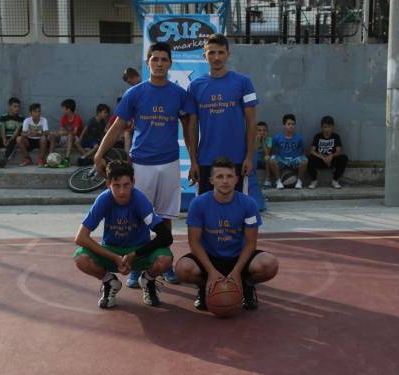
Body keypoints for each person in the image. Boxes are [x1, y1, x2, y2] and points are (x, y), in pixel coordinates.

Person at [95, 42, 195, 288]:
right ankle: (135, 265)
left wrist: (194, 161)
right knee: (137, 217)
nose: (160, 63)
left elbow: (189, 128)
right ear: (148, 63)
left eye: (164, 59)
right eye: (155, 59)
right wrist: (99, 154)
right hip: (141, 164)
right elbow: (118, 125)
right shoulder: (135, 93)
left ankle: (166, 263)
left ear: (170, 63)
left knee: (165, 217)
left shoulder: (179, 94)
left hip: (170, 163)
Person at [175, 156, 278, 311]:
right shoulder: (198, 203)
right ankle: (205, 286)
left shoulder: (248, 203)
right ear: (211, 180)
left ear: (236, 179)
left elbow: (251, 242)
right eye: (220, 177)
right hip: (209, 258)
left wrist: (237, 271)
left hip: (238, 258)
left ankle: (246, 285)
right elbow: (194, 243)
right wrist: (210, 271)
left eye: (229, 176)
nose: (225, 181)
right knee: (182, 269)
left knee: (270, 264)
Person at [74, 160, 174, 308]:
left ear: (133, 182)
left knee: (165, 258)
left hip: (138, 251)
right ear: (108, 185)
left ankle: (147, 279)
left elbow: (166, 236)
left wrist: (134, 255)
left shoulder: (139, 200)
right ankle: (109, 282)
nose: (122, 191)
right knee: (81, 258)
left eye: (126, 185)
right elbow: (80, 237)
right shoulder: (104, 199)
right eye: (116, 186)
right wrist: (115, 257)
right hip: (112, 250)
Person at [186, 33, 259, 195]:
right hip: (206, 160)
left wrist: (249, 156)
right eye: (212, 52)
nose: (216, 57)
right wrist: (193, 161)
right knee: (206, 212)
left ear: (228, 54)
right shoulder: (195, 86)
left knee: (236, 211)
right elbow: (191, 125)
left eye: (220, 52)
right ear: (205, 56)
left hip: (237, 160)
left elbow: (251, 121)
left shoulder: (243, 82)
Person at [307, 115, 349, 189]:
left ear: (333, 127)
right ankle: (314, 180)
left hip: (331, 161)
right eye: (325, 127)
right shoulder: (317, 136)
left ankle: (335, 180)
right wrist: (323, 157)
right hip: (320, 160)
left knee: (344, 158)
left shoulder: (336, 136)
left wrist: (331, 156)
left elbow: (339, 152)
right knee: (309, 157)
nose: (327, 129)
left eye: (329, 126)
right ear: (322, 127)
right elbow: (312, 151)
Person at [269, 114, 308, 189]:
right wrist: (275, 160)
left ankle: (299, 181)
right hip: (282, 160)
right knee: (272, 159)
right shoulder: (277, 137)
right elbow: (272, 151)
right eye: (289, 124)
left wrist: (302, 161)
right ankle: (278, 181)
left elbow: (304, 151)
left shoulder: (299, 138)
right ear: (284, 125)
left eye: (293, 124)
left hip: (294, 160)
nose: (291, 126)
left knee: (304, 160)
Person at [47, 99, 82, 168]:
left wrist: (64, 132)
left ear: (68, 109)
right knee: (53, 137)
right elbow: (61, 131)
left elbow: (75, 133)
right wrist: (56, 134)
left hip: (75, 139)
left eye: (63, 108)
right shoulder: (63, 118)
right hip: (66, 137)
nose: (62, 110)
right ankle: (49, 158)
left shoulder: (77, 118)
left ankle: (67, 160)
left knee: (70, 135)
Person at [16, 103, 48, 168]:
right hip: (30, 140)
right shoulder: (27, 120)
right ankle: (27, 158)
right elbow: (23, 133)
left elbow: (46, 133)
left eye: (39, 111)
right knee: (19, 139)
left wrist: (37, 134)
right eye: (35, 112)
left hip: (40, 140)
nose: (37, 113)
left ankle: (41, 159)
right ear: (30, 113)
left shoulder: (44, 120)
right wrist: (28, 134)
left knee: (43, 138)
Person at [255, 121, 273, 188]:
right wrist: (258, 140)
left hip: (264, 162)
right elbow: (254, 152)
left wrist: (262, 141)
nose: (262, 132)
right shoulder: (254, 139)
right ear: (256, 131)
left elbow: (267, 153)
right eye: (259, 130)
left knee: (267, 157)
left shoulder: (269, 140)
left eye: (264, 130)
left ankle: (268, 180)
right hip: (255, 161)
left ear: (267, 131)